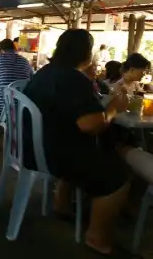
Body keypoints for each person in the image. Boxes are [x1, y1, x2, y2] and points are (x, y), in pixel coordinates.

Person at [23, 29, 131, 256]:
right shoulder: (72, 79)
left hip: (32, 148)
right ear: (86, 53)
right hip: (53, 154)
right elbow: (91, 125)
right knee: (117, 176)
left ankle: (61, 205)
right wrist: (112, 110)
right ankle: (97, 238)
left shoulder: (46, 72)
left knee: (90, 147)